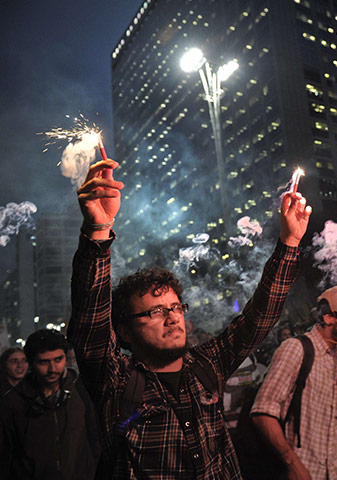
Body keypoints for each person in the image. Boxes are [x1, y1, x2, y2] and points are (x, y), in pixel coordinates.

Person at [67, 158, 311, 479]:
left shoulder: (206, 366)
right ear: (124, 331)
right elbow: (91, 322)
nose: (171, 318)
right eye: (155, 311)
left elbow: (259, 316)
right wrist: (98, 230)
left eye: (175, 307)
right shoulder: (117, 384)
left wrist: (290, 242)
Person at [251, 285, 337, 480]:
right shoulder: (296, 349)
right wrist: (292, 464)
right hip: (304, 466)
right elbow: (262, 412)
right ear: (328, 318)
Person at [0, 329, 100, 480]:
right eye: (44, 362)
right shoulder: (12, 403)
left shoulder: (81, 390)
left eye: (58, 360)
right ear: (31, 363)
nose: (53, 369)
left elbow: (95, 439)